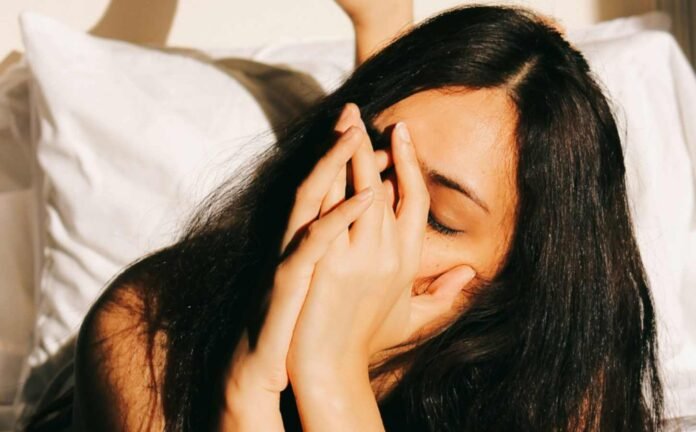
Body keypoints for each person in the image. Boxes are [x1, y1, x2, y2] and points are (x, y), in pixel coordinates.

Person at [29, 2, 665, 431]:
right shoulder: (147, 333)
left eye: (437, 217)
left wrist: (328, 374)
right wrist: (243, 393)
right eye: (368, 163)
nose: (366, 217)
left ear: (517, 276)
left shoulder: (563, 394)